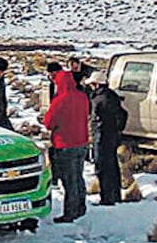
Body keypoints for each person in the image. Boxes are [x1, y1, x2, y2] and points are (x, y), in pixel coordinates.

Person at [43, 70, 90, 223]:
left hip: (65, 143)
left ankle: (70, 212)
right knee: (78, 176)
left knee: (69, 180)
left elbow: (49, 123)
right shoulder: (82, 97)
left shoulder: (59, 100)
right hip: (81, 142)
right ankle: (80, 207)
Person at [84, 71, 128, 205]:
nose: (90, 87)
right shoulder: (112, 96)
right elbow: (123, 114)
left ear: (97, 84)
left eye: (92, 84)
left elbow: (96, 119)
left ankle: (107, 198)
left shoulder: (99, 100)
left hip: (102, 136)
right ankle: (115, 195)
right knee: (113, 166)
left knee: (102, 167)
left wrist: (96, 130)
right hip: (113, 136)